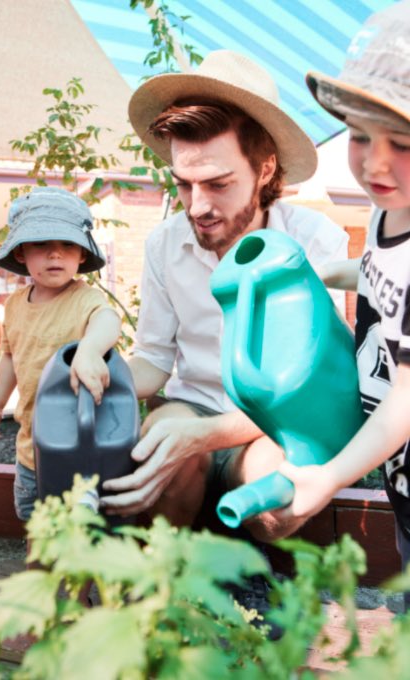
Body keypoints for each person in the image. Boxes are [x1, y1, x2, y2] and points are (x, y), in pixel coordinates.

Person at [99, 50, 350, 544]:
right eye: (184, 185)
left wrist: (210, 437)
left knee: (281, 497)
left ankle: (245, 567)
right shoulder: (165, 243)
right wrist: (98, 377)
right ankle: (163, 577)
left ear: (264, 169)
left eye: (218, 184)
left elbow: (313, 392)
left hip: (273, 423)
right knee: (160, 449)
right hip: (190, 405)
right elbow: (152, 358)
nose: (198, 207)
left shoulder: (315, 242)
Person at [274, 1, 410, 605]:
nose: (375, 161)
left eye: (402, 142)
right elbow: (384, 276)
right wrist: (328, 269)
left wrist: (329, 477)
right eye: (359, 136)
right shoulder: (391, 208)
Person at [0, 187, 121, 523]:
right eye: (42, 243)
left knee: (81, 530)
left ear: (82, 254)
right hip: (31, 448)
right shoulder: (13, 305)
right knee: (34, 522)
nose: (56, 253)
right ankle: (40, 570)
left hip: (79, 449)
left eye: (68, 244)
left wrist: (89, 351)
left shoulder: (84, 300)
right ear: (22, 252)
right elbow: (11, 359)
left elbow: (108, 321)